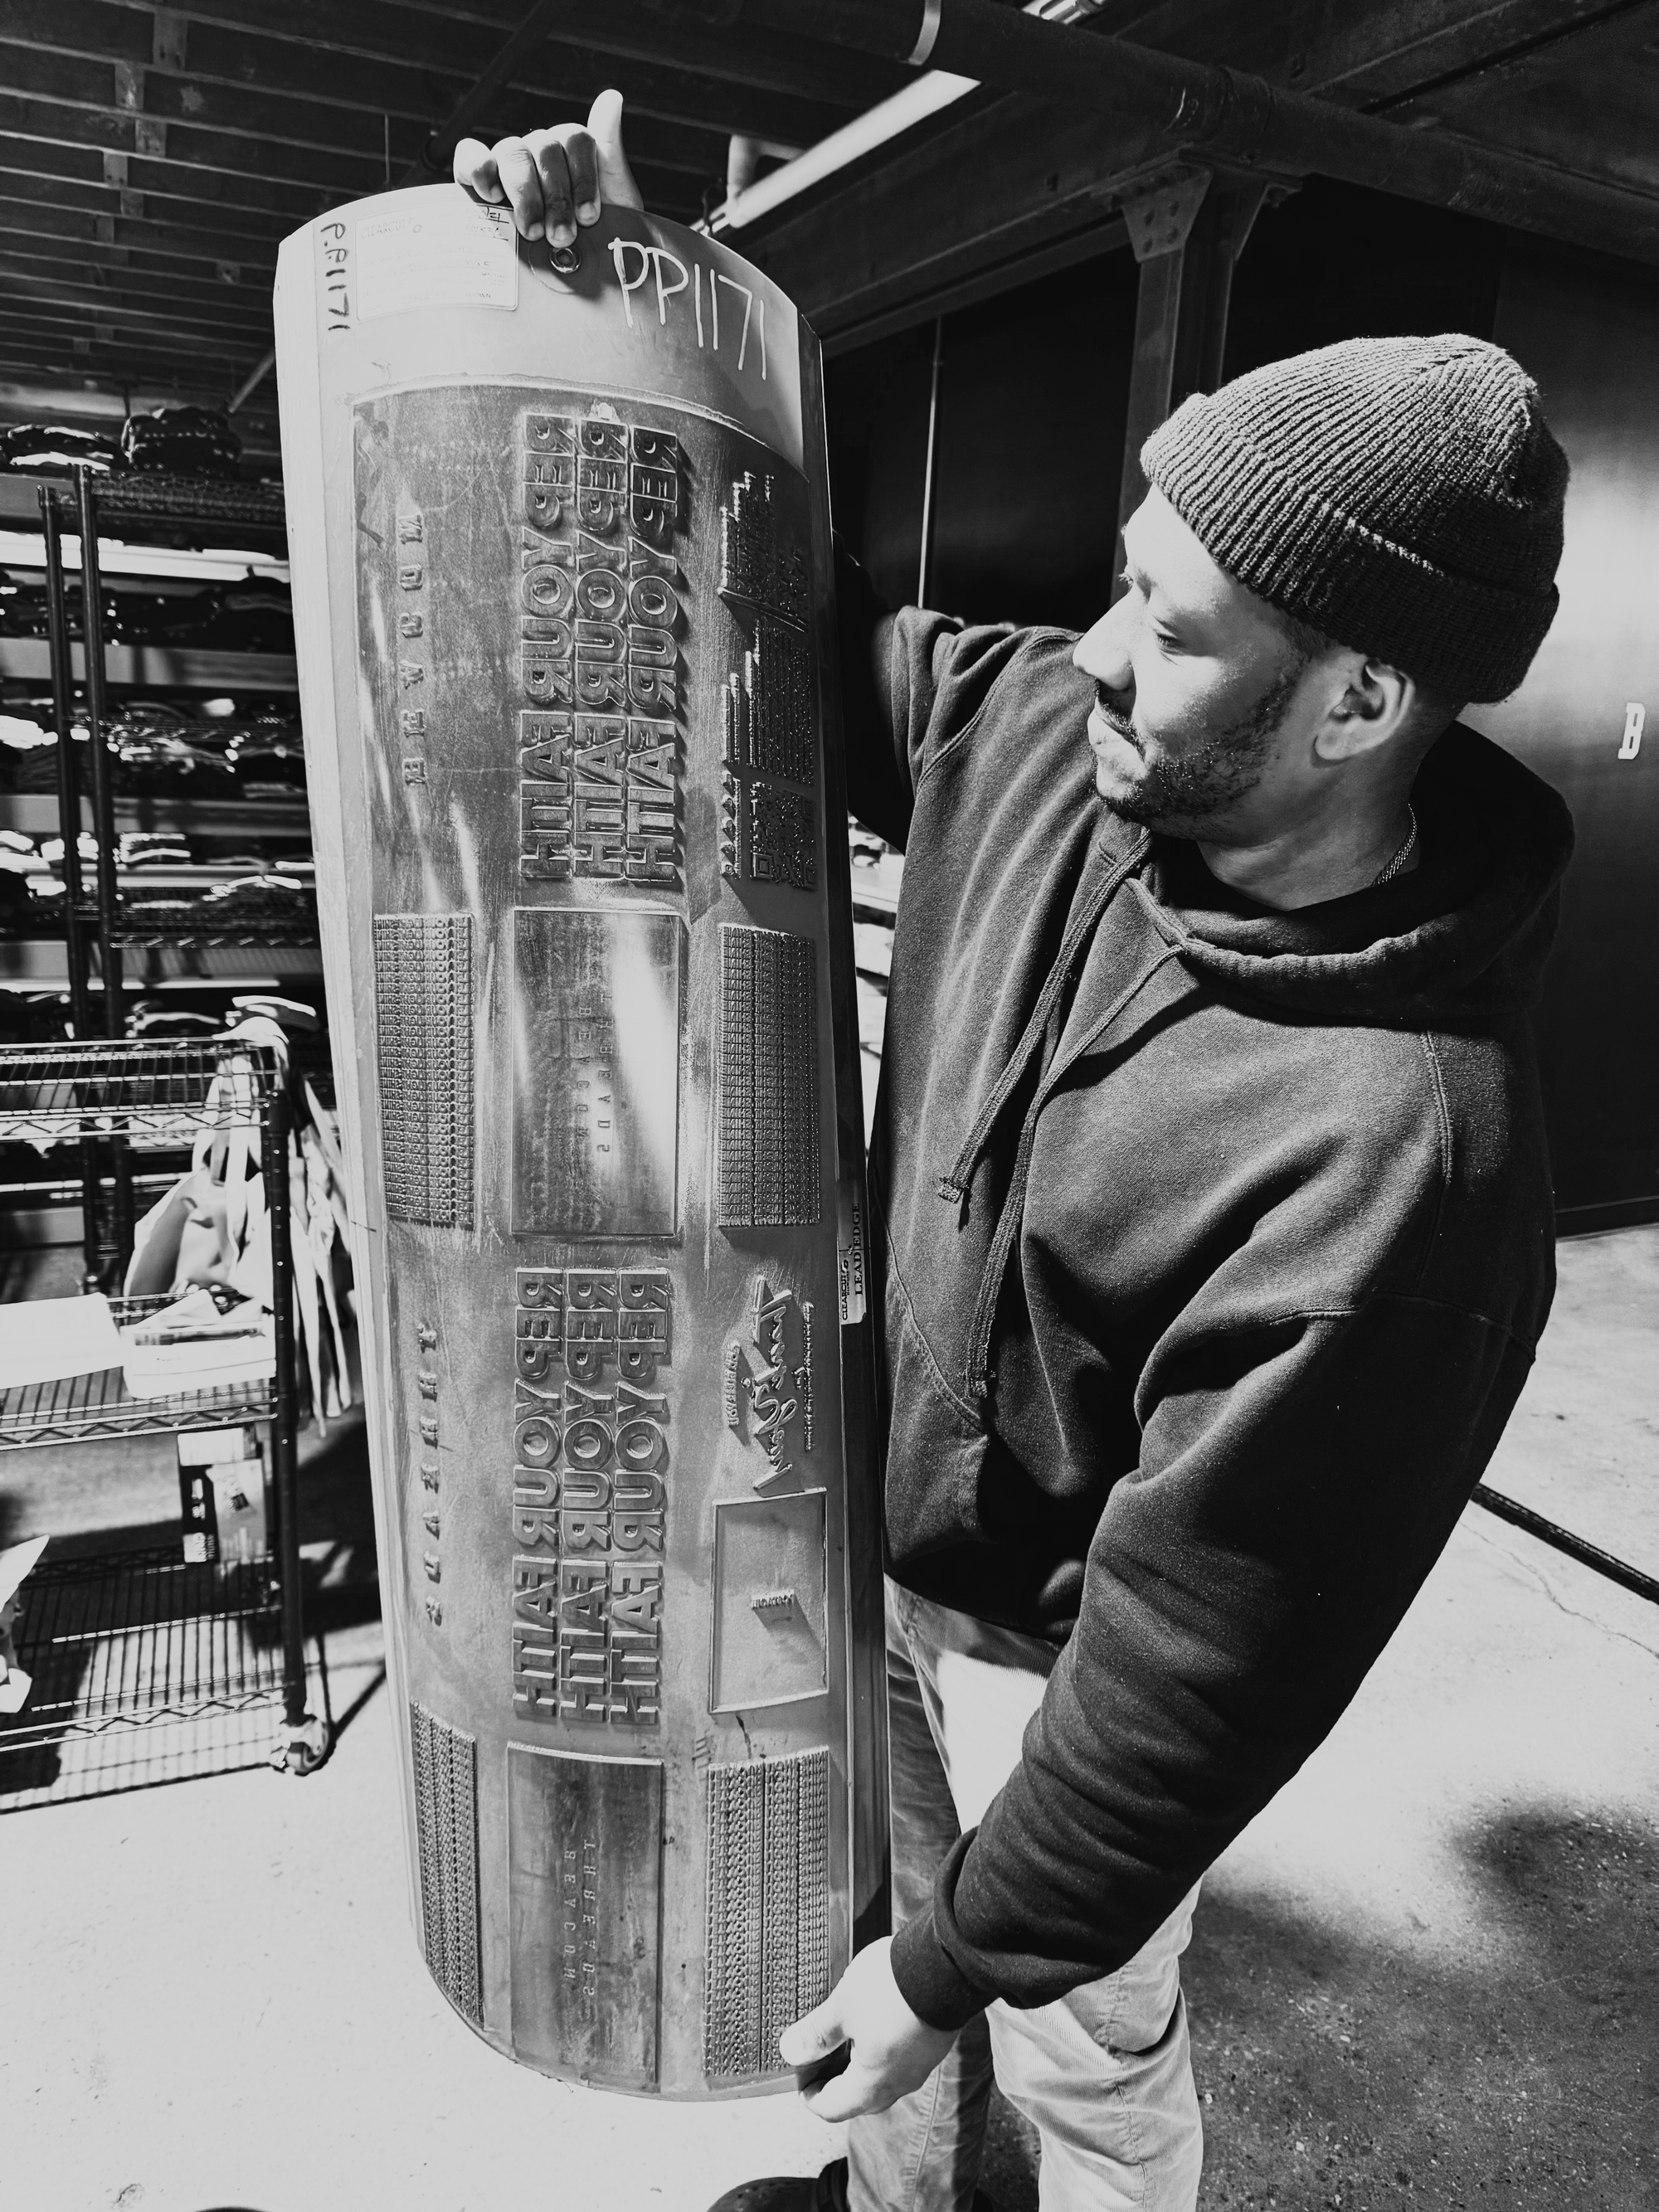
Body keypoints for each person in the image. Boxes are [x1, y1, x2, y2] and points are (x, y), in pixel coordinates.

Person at [458, 100, 1574, 2212]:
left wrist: (967, 1951)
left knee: (1076, 2057)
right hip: (865, 1549)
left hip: (1052, 1678)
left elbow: (1197, 1679)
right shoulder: (1052, 749)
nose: (1088, 644)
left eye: (1169, 623)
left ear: (1356, 702)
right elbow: (794, 611)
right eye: (1116, 585)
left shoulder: (1394, 1158)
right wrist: (623, 302)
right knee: (849, 1985)